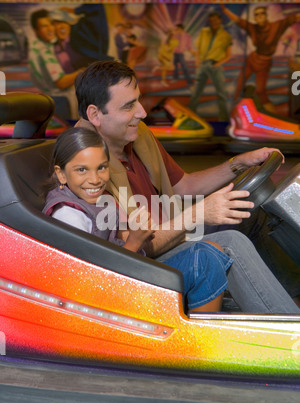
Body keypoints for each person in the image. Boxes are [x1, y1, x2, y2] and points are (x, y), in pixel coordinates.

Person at [73, 59, 300, 313]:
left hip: (170, 229)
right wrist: (199, 213)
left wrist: (236, 164)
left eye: (138, 100)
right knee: (230, 242)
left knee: (247, 210)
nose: (142, 112)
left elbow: (184, 186)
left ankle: (290, 303)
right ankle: (292, 332)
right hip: (141, 263)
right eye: (128, 106)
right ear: (95, 115)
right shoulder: (85, 165)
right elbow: (137, 246)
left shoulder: (137, 138)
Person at [43, 127, 233, 313]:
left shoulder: (92, 199)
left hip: (127, 275)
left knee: (212, 250)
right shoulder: (69, 216)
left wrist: (137, 233)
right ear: (61, 174)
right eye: (82, 170)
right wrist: (134, 242)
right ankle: (199, 342)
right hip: (110, 301)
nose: (95, 179)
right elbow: (91, 287)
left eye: (101, 168)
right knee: (205, 261)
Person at [221, 5, 300, 112]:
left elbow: (295, 17)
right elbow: (238, 20)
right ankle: (235, 112)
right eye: (256, 15)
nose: (259, 16)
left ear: (266, 15)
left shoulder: (276, 26)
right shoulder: (253, 28)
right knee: (239, 84)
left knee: (261, 92)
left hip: (265, 63)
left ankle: (274, 120)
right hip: (252, 59)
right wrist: (225, 10)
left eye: (261, 13)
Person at [28, 8, 84, 119]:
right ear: (36, 30)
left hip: (51, 100)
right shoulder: (44, 51)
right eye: (44, 26)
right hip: (59, 102)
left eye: (51, 24)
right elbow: (61, 82)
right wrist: (84, 71)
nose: (50, 29)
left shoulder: (38, 47)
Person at [188, 11, 232, 121]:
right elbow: (198, 48)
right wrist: (197, 62)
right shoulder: (204, 32)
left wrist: (218, 64)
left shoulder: (226, 36)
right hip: (203, 64)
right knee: (196, 92)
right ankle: (190, 116)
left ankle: (223, 119)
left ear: (220, 20)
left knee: (221, 92)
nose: (214, 22)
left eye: (216, 20)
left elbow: (228, 55)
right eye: (211, 20)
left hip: (215, 64)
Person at [172, 23, 195, 88]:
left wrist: (193, 52)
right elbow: (170, 43)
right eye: (175, 29)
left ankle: (190, 82)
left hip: (181, 54)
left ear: (181, 29)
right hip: (174, 54)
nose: (176, 30)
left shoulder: (187, 36)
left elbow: (189, 46)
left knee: (185, 68)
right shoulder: (175, 35)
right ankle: (175, 78)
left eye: (177, 29)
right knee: (174, 67)